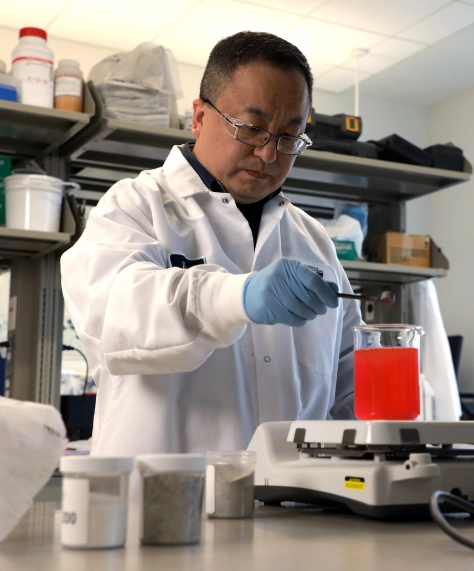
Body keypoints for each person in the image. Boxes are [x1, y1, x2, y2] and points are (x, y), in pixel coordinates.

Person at [61, 31, 363, 457]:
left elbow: (350, 383)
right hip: (162, 506)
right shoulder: (135, 206)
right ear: (200, 116)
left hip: (298, 509)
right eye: (252, 129)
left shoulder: (313, 241)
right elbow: (113, 318)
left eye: (289, 138)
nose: (268, 155)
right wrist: (234, 296)